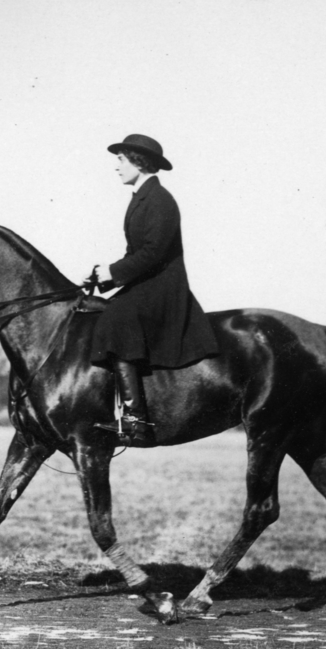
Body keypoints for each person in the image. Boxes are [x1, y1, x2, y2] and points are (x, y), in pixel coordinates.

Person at [90, 134, 219, 446]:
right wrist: (100, 276)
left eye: (121, 160)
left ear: (138, 161)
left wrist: (113, 272)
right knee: (100, 309)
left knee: (116, 319)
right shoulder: (140, 197)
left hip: (164, 288)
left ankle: (136, 421)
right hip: (147, 283)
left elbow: (153, 253)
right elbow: (137, 253)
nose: (117, 167)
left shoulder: (159, 200)